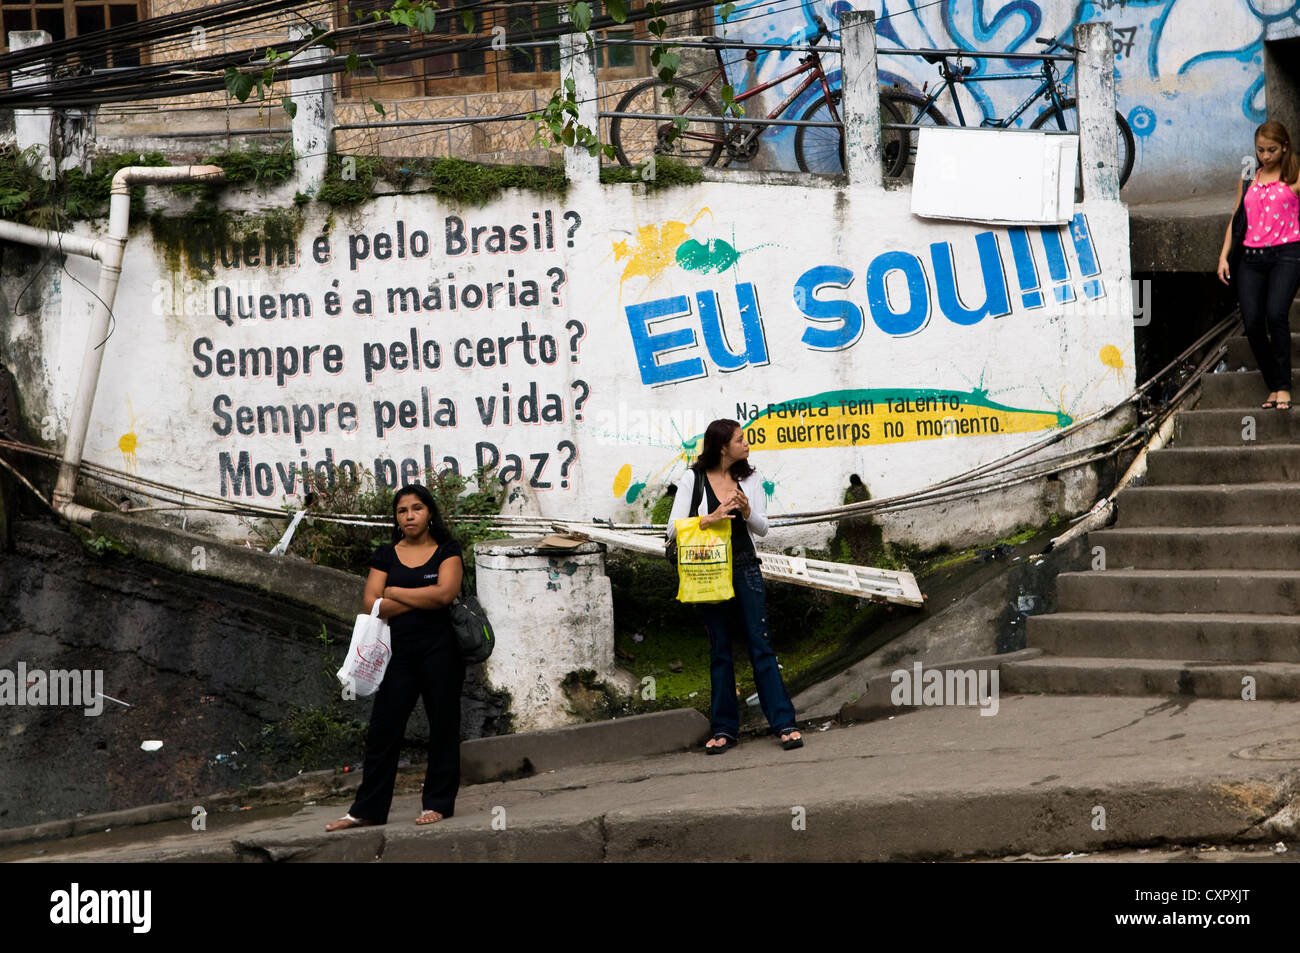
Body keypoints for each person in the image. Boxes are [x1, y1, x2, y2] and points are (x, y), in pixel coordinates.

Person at [326, 484, 465, 830]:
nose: (410, 516)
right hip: (396, 653)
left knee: (443, 727)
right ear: (396, 518)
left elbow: (446, 594)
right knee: (383, 729)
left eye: (417, 508)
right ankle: (367, 809)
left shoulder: (448, 549)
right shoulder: (386, 554)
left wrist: (396, 593)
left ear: (429, 512)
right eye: (402, 511)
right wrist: (423, 595)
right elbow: (371, 604)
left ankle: (438, 803)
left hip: (441, 650)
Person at [666, 419, 802, 754]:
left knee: (761, 645)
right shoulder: (692, 478)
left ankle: (784, 723)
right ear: (722, 447)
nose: (747, 444)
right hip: (708, 572)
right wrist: (709, 517)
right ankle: (725, 729)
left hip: (745, 569)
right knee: (720, 651)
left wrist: (746, 509)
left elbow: (763, 528)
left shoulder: (750, 478)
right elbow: (671, 530)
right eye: (740, 440)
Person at [1218, 120, 1300, 410]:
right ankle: (1273, 383)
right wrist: (1224, 255)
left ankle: (1283, 387)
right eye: (1260, 150)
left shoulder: (1295, 174)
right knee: (1252, 323)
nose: (1265, 156)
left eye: (1272, 150)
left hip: (1286, 255)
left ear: (1285, 146)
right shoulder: (1249, 176)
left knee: (1276, 314)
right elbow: (1237, 217)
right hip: (1251, 259)